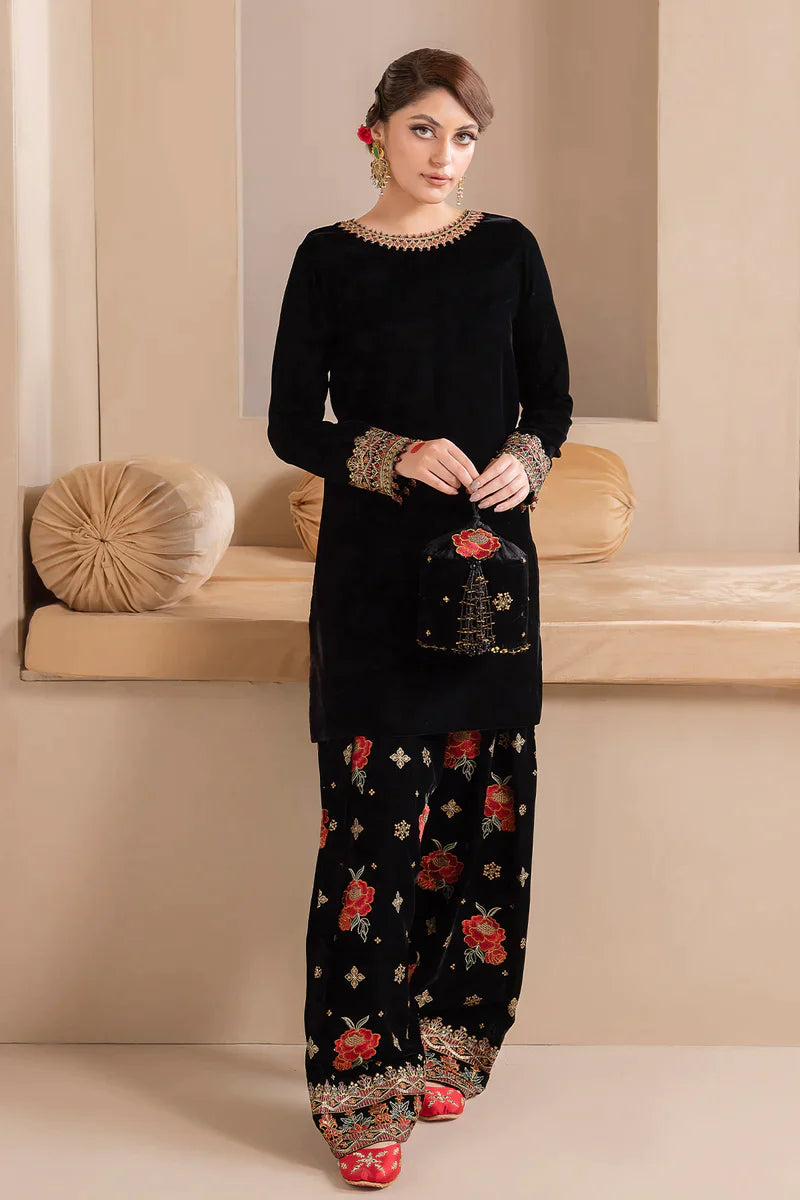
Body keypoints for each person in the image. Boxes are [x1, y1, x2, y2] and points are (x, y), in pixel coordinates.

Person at [267, 46, 573, 1190]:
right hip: (371, 578)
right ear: (376, 134)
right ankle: (359, 1089)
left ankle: (451, 1040)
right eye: (423, 130)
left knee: (481, 827)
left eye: (464, 136)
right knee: (370, 839)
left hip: (491, 570)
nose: (444, 155)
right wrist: (390, 452)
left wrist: (523, 462)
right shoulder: (327, 258)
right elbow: (291, 422)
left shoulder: (508, 250)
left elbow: (550, 398)